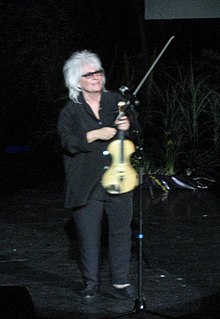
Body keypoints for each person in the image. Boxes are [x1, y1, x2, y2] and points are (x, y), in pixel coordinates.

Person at [57, 50, 138, 300]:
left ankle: (121, 283)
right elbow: (67, 142)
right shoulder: (70, 111)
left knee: (121, 233)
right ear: (76, 81)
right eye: (88, 74)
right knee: (89, 236)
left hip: (119, 176)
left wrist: (129, 126)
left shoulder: (116, 101)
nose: (96, 77)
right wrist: (93, 135)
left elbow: (137, 130)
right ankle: (91, 282)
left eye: (98, 72)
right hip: (86, 183)